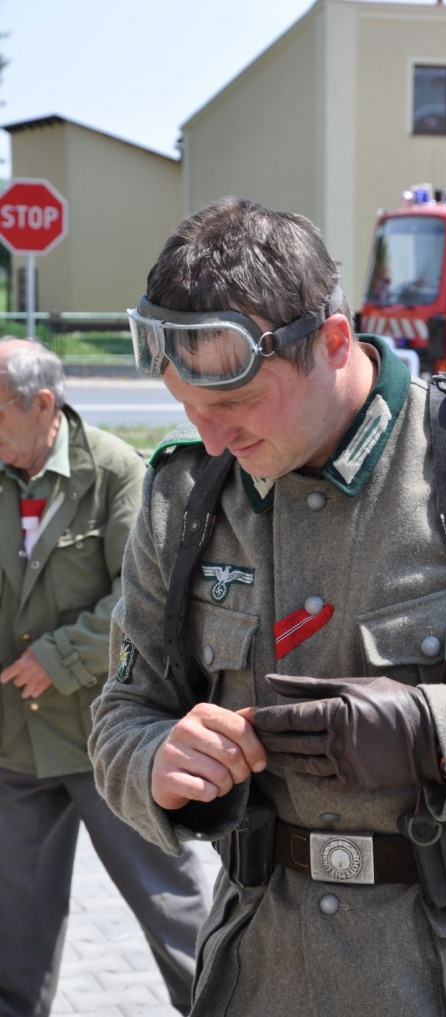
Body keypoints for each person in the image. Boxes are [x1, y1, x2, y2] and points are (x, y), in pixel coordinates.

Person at [89, 198, 446, 1017]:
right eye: (190, 409)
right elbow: (123, 711)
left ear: (331, 343)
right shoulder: (186, 490)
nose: (212, 439)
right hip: (270, 973)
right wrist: (158, 761)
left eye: (235, 405)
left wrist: (441, 738)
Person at [0, 338, 211, 1017]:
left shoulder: (119, 471)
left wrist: (60, 657)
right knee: (15, 926)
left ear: (41, 405)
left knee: (171, 907)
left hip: (106, 738)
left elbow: (139, 595)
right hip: (15, 743)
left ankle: (222, 1003)